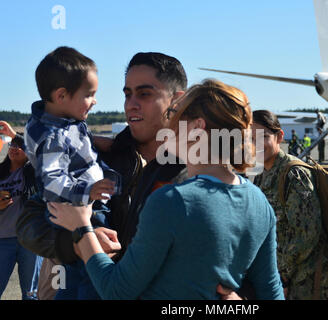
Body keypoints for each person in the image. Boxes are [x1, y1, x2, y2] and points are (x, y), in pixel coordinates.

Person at [16, 52, 239, 299]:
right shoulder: (102, 160)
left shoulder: (202, 172)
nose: (130, 104)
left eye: (144, 94)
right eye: (127, 94)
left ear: (177, 100)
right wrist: (78, 243)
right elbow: (29, 221)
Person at [47, 79, 284, 300]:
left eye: (174, 114)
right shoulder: (259, 202)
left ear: (196, 128)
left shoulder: (173, 201)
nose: (167, 123)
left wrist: (82, 228)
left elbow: (116, 290)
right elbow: (272, 291)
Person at [23, 46, 122, 300]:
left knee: (73, 274)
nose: (95, 101)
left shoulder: (59, 121)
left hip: (78, 206)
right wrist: (88, 190)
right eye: (89, 95)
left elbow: (76, 146)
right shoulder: (54, 136)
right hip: (80, 208)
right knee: (92, 273)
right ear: (61, 95)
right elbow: (52, 182)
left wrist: (96, 140)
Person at [252, 110, 328, 300]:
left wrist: (281, 276)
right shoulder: (260, 176)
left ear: (279, 137)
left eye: (263, 137)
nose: (255, 145)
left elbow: (306, 234)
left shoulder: (294, 174)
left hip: (309, 282)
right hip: (283, 279)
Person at [0, 121, 42, 300]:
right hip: (3, 240)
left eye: (19, 146)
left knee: (30, 294)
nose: (14, 148)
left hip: (30, 240)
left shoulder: (34, 173)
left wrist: (14, 135)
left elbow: (41, 156)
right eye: (12, 145)